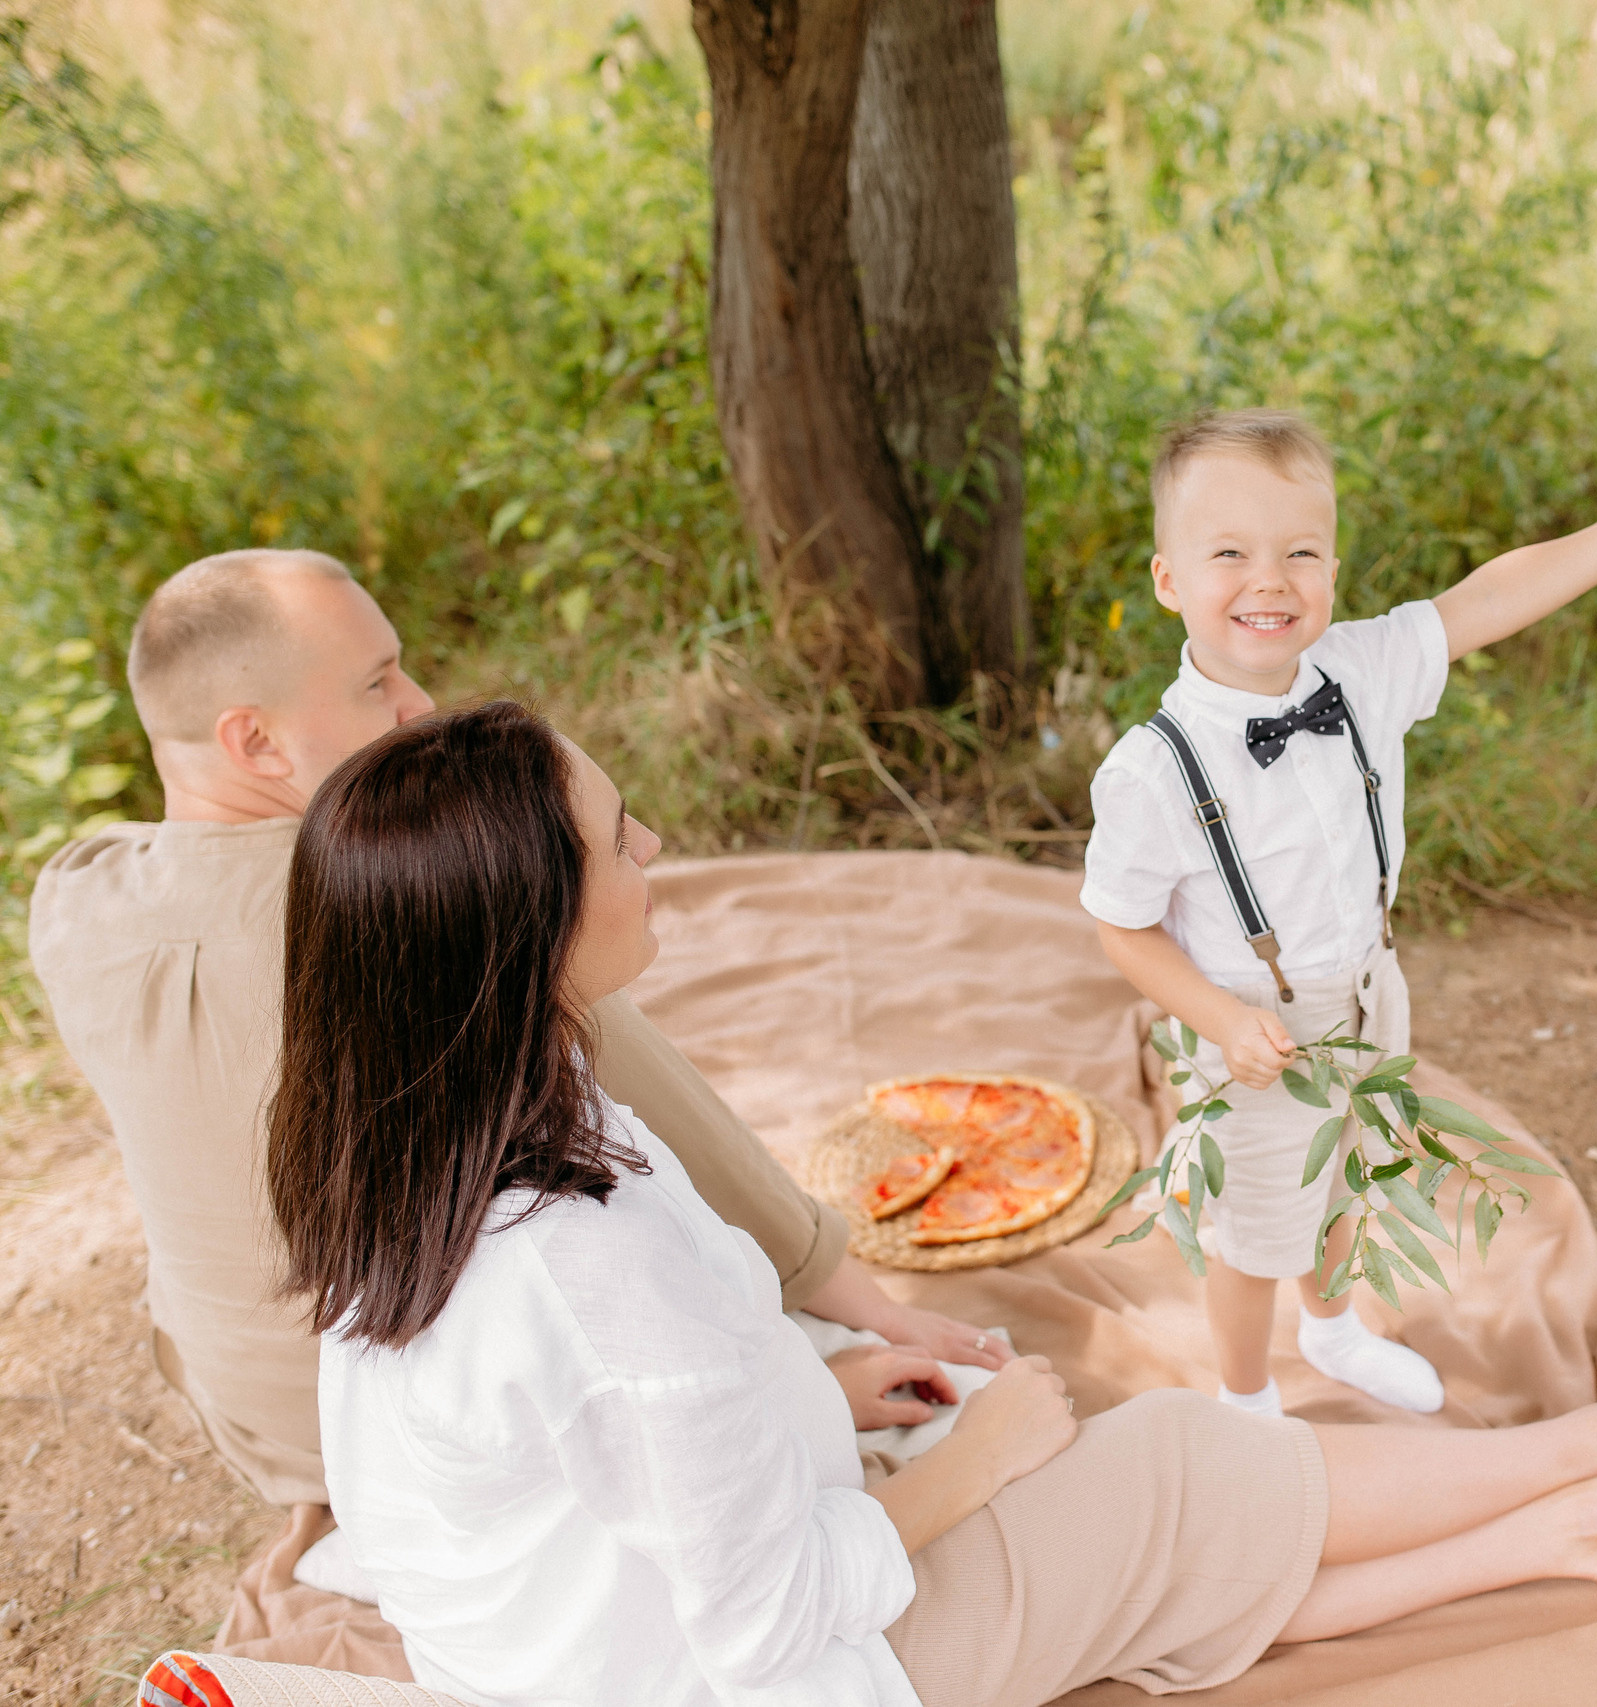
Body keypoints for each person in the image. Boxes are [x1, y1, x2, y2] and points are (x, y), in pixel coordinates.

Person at [271, 698, 1597, 1707]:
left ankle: (1595, 1524)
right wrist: (968, 1467)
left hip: (587, 1638)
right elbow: (756, 1622)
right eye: (621, 836)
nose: (658, 846)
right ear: (530, 925)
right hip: (738, 1675)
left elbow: (618, 1446)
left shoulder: (422, 1139)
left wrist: (832, 1390)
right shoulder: (586, 1256)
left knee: (1147, 1520)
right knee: (1178, 1463)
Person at [28, 549, 1000, 1516]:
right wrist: (861, 1301)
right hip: (437, 1445)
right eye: (378, 683)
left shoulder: (71, 902)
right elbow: (679, 1122)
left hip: (249, 1418)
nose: (418, 703)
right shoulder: (394, 915)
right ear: (256, 743)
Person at [1080, 412, 1597, 1416]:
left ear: (1334, 566)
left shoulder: (1362, 670)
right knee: (1256, 1231)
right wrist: (1217, 1020)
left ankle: (1333, 1330)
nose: (1270, 580)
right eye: (1229, 554)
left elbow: (1486, 597)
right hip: (1250, 1024)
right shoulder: (1152, 770)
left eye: (1300, 552)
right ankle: (1244, 1398)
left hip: (1368, 991)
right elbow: (1123, 927)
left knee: (1348, 1176)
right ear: (1168, 580)